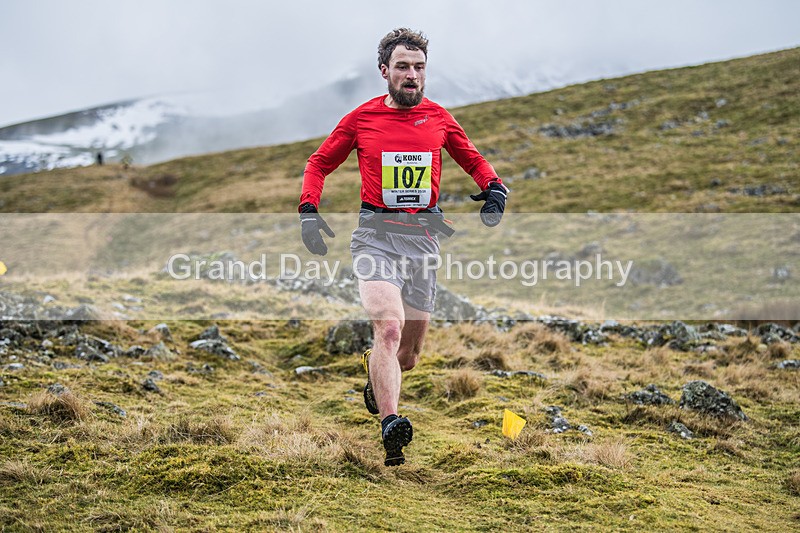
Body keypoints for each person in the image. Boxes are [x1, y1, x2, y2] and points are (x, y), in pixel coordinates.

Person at [299, 28, 508, 466]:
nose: (412, 75)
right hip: (375, 237)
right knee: (389, 329)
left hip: (423, 242)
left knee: (407, 356)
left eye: (419, 67)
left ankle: (376, 371)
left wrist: (493, 186)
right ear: (384, 71)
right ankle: (391, 423)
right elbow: (319, 162)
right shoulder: (362, 119)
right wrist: (309, 210)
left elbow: (471, 157)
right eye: (402, 67)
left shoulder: (438, 118)